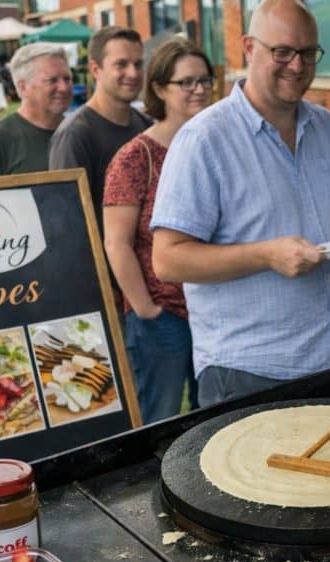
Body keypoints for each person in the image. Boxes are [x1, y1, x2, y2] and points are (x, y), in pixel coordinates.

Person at [150, 0, 330, 407]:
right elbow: (168, 260)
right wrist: (266, 255)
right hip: (251, 373)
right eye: (282, 52)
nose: (297, 66)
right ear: (248, 47)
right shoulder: (204, 140)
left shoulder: (328, 127)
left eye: (308, 53)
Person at [102, 39, 213, 422]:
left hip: (216, 310)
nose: (198, 89)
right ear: (160, 88)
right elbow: (117, 243)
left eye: (205, 80)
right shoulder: (137, 157)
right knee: (157, 419)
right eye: (186, 82)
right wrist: (147, 310)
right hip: (162, 315)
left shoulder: (217, 145)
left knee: (212, 417)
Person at [50, 26, 152, 241]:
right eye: (121, 65)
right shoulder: (75, 135)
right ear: (95, 69)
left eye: (138, 64)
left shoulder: (145, 125)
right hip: (101, 269)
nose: (133, 73)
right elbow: (66, 220)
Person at [0, 43, 73, 179]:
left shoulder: (79, 132)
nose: (64, 88)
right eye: (52, 80)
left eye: (67, 79)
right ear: (23, 87)